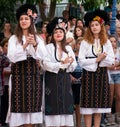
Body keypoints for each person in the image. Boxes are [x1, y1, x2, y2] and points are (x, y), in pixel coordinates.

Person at [6, 4, 48, 127]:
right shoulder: (13, 39)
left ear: (31, 21)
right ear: (18, 22)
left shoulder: (38, 38)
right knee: (19, 110)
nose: (24, 21)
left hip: (33, 78)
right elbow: (12, 57)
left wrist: (34, 44)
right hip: (18, 78)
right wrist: (24, 46)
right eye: (21, 19)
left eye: (26, 19)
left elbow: (43, 56)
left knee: (32, 111)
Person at [78, 9, 115, 127]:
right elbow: (81, 61)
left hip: (102, 75)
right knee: (88, 107)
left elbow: (111, 60)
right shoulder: (85, 42)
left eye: (96, 25)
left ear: (101, 26)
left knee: (99, 107)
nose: (94, 27)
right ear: (89, 27)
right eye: (92, 25)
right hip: (89, 76)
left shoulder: (107, 42)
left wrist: (102, 60)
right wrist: (96, 60)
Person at [42, 17, 77, 127]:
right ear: (52, 34)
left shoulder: (68, 48)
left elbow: (73, 66)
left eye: (60, 31)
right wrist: (62, 64)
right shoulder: (48, 47)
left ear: (64, 34)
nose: (58, 34)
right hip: (52, 81)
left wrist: (69, 63)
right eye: (56, 32)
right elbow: (45, 64)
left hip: (65, 81)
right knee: (52, 109)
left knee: (66, 109)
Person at [107, 35, 120, 124]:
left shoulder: (119, 51)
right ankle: (109, 116)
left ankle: (118, 116)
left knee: (119, 96)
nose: (112, 43)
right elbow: (106, 65)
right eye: (110, 41)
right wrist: (114, 65)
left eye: (114, 41)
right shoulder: (106, 52)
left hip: (118, 75)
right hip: (109, 75)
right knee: (110, 96)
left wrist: (114, 66)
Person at [70, 37, 83, 127]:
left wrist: (83, 77)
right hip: (71, 80)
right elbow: (67, 67)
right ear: (76, 45)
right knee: (71, 103)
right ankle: (69, 123)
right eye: (79, 44)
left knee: (79, 104)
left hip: (81, 80)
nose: (81, 46)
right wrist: (70, 76)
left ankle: (78, 124)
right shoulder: (72, 55)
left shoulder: (85, 56)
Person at [0, 38, 11, 126]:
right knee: (3, 104)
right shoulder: (3, 57)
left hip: (11, 84)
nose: (8, 48)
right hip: (4, 84)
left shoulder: (12, 56)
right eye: (6, 46)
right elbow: (3, 70)